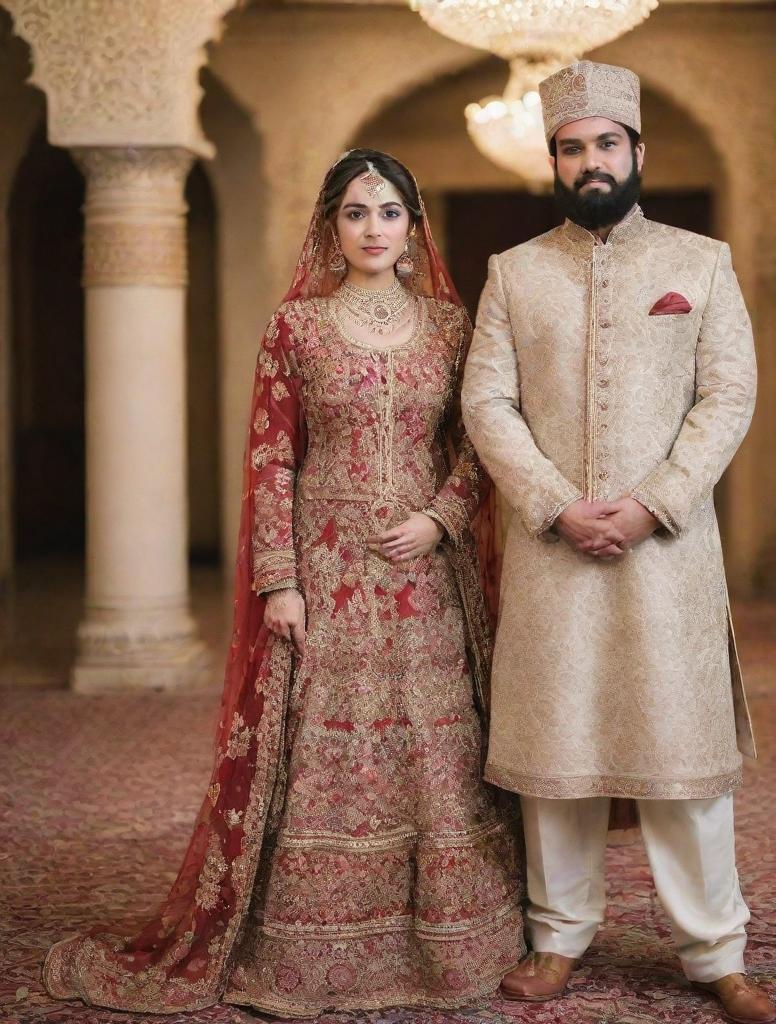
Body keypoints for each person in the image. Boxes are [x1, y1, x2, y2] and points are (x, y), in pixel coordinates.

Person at [43, 149, 523, 1016]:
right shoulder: (296, 327)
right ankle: (311, 940)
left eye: (388, 212)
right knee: (326, 750)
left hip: (425, 570)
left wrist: (442, 518)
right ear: (330, 227)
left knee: (434, 745)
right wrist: (281, 581)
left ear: (414, 227)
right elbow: (270, 459)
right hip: (328, 568)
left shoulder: (454, 328)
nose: (373, 228)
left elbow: (477, 446)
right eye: (355, 212)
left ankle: (457, 938)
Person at [461, 62, 776, 1024]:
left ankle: (716, 951)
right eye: (571, 147)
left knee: (682, 751)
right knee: (559, 747)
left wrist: (654, 503)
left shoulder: (701, 262)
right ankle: (557, 938)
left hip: (667, 555)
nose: (590, 161)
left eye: (606, 144)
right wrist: (556, 504)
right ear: (553, 160)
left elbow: (728, 394)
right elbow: (487, 401)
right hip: (554, 549)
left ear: (638, 151)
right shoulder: (513, 274)